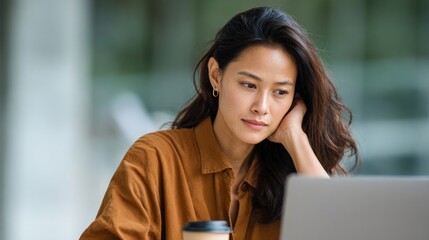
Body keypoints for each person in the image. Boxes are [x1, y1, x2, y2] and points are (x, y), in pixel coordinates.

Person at [80, 6, 359, 240]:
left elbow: (342, 231)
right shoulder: (155, 159)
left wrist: (295, 139)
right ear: (216, 76)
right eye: (249, 85)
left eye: (280, 92)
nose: (261, 107)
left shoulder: (293, 174)